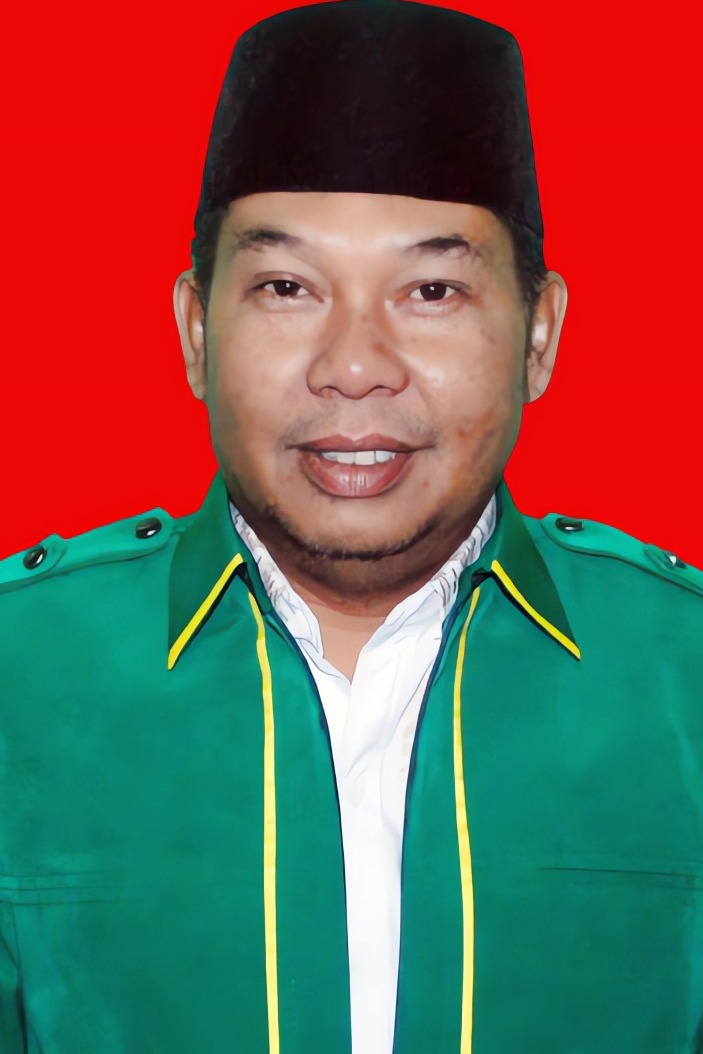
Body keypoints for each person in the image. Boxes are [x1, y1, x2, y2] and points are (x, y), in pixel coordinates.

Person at [1, 2, 701, 1052]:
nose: (355, 364)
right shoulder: (20, 670)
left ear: (539, 335)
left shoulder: (682, 674)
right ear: (196, 331)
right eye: (287, 287)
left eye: (431, 289)